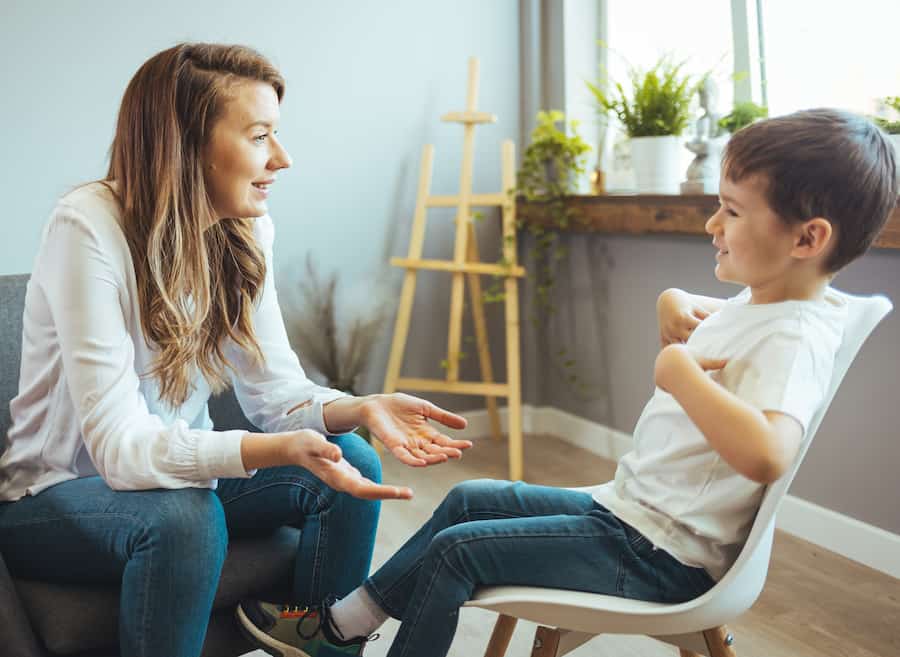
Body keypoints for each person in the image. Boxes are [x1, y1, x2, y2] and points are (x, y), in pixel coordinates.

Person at [237, 108, 898, 657]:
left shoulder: (797, 334)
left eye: (730, 210)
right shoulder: (768, 300)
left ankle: (343, 633)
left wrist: (677, 373)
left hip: (658, 554)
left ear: (807, 237)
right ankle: (344, 628)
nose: (711, 224)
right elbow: (716, 318)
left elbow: (768, 452)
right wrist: (670, 296)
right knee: (469, 499)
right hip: (629, 513)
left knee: (457, 551)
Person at [0, 43, 472, 657]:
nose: (282, 158)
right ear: (184, 145)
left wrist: (360, 407)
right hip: (56, 496)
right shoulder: (88, 227)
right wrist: (269, 449)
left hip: (173, 477)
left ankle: (324, 645)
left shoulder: (243, 227)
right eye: (258, 136)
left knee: (349, 456)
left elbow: (276, 393)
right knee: (185, 517)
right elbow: (118, 451)